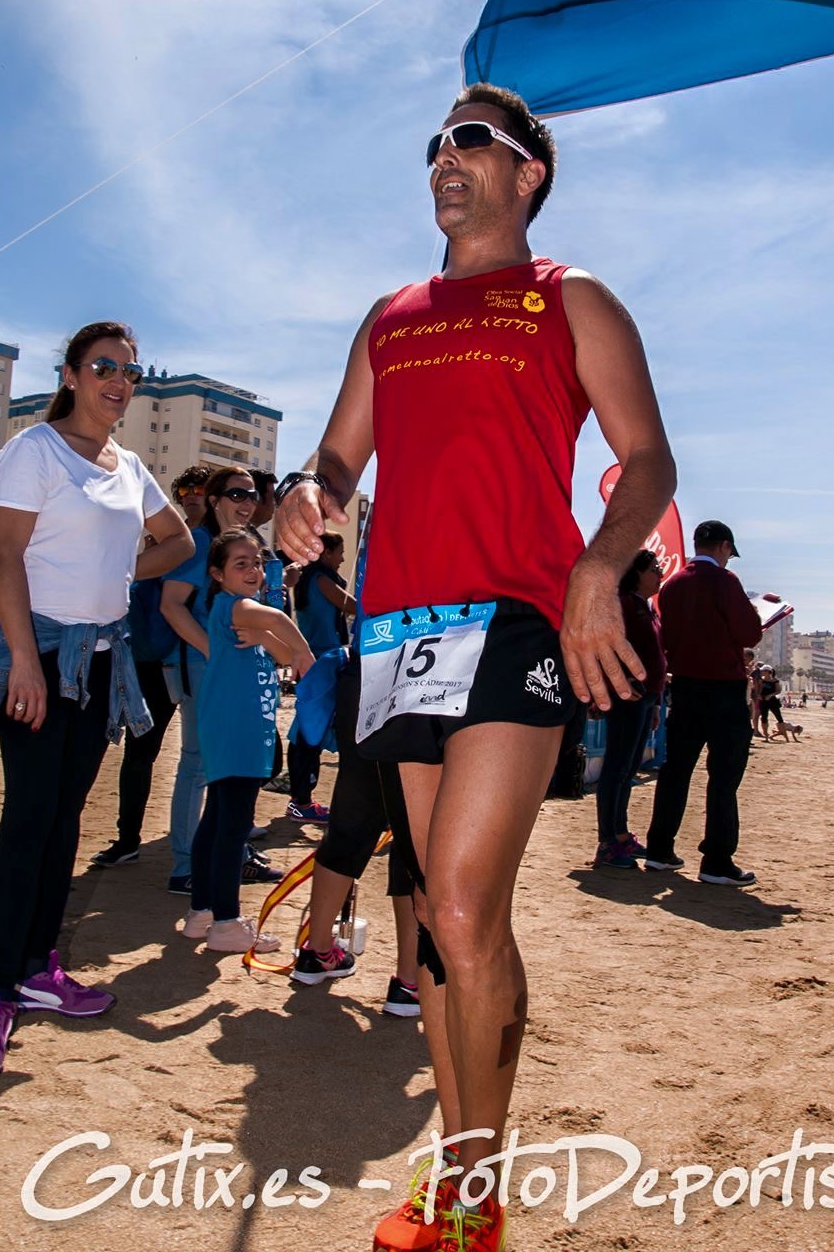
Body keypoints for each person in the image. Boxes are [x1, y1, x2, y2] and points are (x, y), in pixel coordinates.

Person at [274, 82, 676, 1251]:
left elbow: (648, 458)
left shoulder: (571, 296)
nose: (443, 159)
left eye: (469, 141)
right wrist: (309, 492)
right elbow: (337, 459)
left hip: (514, 619)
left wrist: (601, 566)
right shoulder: (390, 315)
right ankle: (457, 1175)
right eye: (434, 145)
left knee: (456, 900)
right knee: (446, 918)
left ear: (527, 172)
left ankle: (475, 1198)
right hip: (400, 631)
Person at [0, 322, 193, 1074]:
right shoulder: (35, 450)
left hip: (101, 662)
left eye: (129, 372)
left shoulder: (129, 466)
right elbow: (7, 559)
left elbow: (180, 541)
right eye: (103, 367)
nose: (118, 382)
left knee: (63, 822)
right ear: (71, 374)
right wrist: (24, 661)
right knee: (27, 821)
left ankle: (37, 969)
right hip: (42, 655)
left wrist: (120, 571)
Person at [180, 530, 313, 952]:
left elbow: (279, 651)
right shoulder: (233, 606)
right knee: (232, 826)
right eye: (241, 564)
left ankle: (202, 913)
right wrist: (304, 650)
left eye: (257, 562)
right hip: (235, 730)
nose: (253, 570)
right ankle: (226, 921)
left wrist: (279, 646)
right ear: (217, 574)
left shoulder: (243, 617)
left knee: (218, 820)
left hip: (239, 730)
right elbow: (278, 623)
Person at [160, 465, 280, 894]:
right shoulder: (200, 544)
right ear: (214, 501)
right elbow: (171, 604)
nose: (247, 502)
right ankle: (185, 867)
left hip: (236, 672)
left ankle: (230, 856)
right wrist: (214, 649)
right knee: (198, 764)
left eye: (252, 495)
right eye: (236, 494)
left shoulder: (245, 546)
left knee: (232, 767)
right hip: (202, 667)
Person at [90, 465, 211, 867]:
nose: (191, 496)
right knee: (142, 752)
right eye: (184, 491)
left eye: (199, 489)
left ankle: (214, 839)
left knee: (201, 758)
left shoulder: (213, 544)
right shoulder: (166, 543)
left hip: (191, 662)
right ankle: (128, 839)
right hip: (154, 662)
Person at [643, 520, 765, 886]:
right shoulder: (725, 581)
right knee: (724, 777)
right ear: (724, 547)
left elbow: (667, 638)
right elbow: (749, 633)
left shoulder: (673, 584)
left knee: (676, 771)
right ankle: (716, 859)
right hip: (723, 689)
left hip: (685, 687)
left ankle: (659, 848)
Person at [593, 550, 666, 868]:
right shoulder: (622, 604)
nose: (660, 573)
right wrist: (619, 682)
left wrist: (656, 703)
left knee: (628, 769)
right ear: (635, 572)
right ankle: (607, 842)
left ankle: (620, 835)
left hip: (645, 699)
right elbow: (604, 646)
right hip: (626, 699)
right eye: (654, 568)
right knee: (616, 769)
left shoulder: (645, 607)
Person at [285, 531, 354, 823]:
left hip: (314, 659)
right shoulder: (321, 579)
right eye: (339, 552)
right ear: (326, 553)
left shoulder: (309, 577)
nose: (342, 558)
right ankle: (301, 800)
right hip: (321, 662)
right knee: (308, 732)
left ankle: (300, 796)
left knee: (307, 728)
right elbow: (350, 605)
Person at [758, 664, 789, 741]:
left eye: (763, 671)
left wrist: (770, 695)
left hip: (772, 701)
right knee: (764, 718)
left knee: (779, 717)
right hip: (763, 701)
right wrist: (759, 696)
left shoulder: (775, 681)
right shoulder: (761, 680)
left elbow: (778, 690)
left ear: (768, 672)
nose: (762, 672)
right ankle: (766, 737)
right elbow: (758, 690)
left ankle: (786, 737)